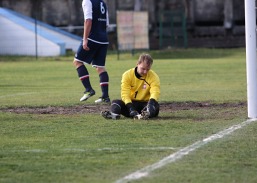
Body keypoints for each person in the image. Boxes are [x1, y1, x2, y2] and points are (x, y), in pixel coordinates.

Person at [101, 53, 160, 120]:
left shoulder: (154, 76)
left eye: (148, 69)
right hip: (131, 103)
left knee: (155, 106)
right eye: (143, 69)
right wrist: (131, 108)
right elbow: (125, 94)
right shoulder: (127, 75)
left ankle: (144, 114)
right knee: (116, 102)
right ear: (137, 64)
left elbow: (155, 91)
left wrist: (151, 103)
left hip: (145, 103)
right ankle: (114, 115)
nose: (145, 72)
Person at [73, 0, 110, 103]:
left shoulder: (87, 1)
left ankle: (88, 89)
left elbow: (88, 20)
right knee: (100, 67)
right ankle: (105, 96)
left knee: (77, 61)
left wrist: (85, 39)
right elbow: (106, 24)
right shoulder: (103, 2)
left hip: (92, 37)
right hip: (103, 39)